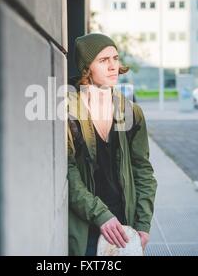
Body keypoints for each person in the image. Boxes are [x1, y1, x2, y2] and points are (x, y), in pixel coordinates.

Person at [67, 33, 157, 256]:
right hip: (87, 226)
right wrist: (100, 215)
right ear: (87, 67)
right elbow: (68, 173)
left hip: (124, 227)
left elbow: (143, 170)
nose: (113, 66)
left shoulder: (131, 112)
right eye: (103, 60)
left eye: (115, 58)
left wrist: (143, 225)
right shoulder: (68, 112)